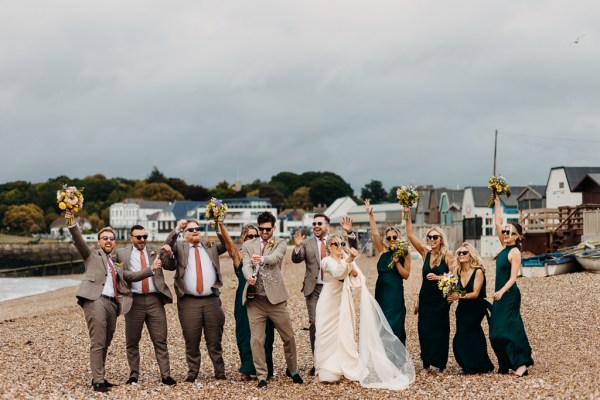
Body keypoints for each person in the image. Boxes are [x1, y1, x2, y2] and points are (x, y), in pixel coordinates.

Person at [65, 210, 162, 393]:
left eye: (111, 238)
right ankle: (98, 381)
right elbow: (78, 239)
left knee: (106, 342)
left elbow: (131, 275)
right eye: (105, 238)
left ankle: (99, 376)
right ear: (98, 242)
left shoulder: (115, 264)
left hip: (112, 304)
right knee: (98, 341)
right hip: (96, 300)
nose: (108, 241)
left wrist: (151, 269)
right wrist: (71, 220)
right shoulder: (92, 255)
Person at [314, 234, 415, 389]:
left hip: (343, 302)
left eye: (342, 243)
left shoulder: (345, 259)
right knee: (324, 334)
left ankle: (342, 367)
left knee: (344, 333)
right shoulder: (326, 261)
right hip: (328, 303)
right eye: (335, 244)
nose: (339, 247)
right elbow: (337, 273)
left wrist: (350, 264)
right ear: (329, 246)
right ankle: (323, 369)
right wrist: (349, 262)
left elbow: (358, 277)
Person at [241, 211, 303, 389]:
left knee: (289, 337)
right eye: (261, 229)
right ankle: (261, 375)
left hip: (276, 300)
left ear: (274, 228)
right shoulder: (248, 244)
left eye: (268, 229)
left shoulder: (281, 243)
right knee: (257, 340)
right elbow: (245, 264)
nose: (264, 232)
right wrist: (248, 277)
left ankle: (293, 370)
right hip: (255, 301)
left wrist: (261, 259)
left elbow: (275, 259)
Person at [291, 213, 357, 375]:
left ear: (327, 226)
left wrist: (350, 234)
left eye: (319, 223)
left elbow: (352, 249)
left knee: (337, 324)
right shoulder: (306, 243)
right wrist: (298, 246)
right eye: (313, 223)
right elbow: (296, 259)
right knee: (315, 324)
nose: (316, 226)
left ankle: (337, 359)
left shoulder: (336, 241)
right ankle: (318, 362)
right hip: (313, 289)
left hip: (336, 289)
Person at [163, 219, 227, 383]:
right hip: (189, 302)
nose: (195, 231)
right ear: (185, 234)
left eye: (197, 229)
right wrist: (176, 228)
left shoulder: (210, 246)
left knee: (215, 340)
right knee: (191, 339)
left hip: (212, 300)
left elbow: (226, 244)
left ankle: (220, 372)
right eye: (191, 230)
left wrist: (219, 226)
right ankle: (193, 372)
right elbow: (166, 249)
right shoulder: (181, 248)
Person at [115, 225, 177, 386]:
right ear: (131, 238)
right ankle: (134, 375)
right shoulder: (122, 254)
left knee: (160, 339)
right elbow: (124, 275)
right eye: (138, 237)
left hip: (155, 300)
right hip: (134, 301)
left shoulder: (155, 250)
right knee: (132, 341)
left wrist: (170, 255)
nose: (142, 240)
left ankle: (166, 375)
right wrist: (150, 269)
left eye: (144, 236)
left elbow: (171, 266)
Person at [217, 221, 275, 380]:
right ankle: (248, 368)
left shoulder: (264, 253)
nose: (254, 238)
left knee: (266, 334)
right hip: (244, 300)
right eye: (250, 236)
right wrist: (220, 223)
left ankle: (265, 368)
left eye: (256, 235)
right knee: (245, 333)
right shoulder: (239, 255)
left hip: (264, 299)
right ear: (243, 238)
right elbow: (228, 243)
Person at [489, 195, 534, 377]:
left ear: (517, 236)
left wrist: (501, 291)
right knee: (496, 331)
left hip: (508, 294)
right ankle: (505, 362)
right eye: (505, 232)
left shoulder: (514, 252)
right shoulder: (504, 246)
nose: (505, 234)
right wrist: (498, 203)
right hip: (499, 295)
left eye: (509, 232)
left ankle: (522, 363)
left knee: (510, 328)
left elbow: (514, 277)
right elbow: (498, 223)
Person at [405, 207, 453, 372]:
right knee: (424, 330)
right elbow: (410, 235)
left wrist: (439, 278)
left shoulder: (448, 255)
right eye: (429, 237)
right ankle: (426, 362)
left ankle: (440, 364)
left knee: (440, 330)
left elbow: (455, 278)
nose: (431, 240)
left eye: (435, 237)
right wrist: (407, 212)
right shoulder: (425, 253)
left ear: (441, 239)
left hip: (441, 298)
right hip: (426, 298)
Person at [364, 200, 410, 345]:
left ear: (398, 238)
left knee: (395, 323)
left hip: (395, 293)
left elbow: (406, 275)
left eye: (394, 237)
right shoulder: (383, 250)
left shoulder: (404, 253)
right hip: (382, 292)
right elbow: (375, 232)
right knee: (382, 323)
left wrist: (396, 263)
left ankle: (398, 357)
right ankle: (384, 356)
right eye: (389, 237)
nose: (391, 240)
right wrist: (371, 215)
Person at [446, 243, 494, 374]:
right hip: (462, 309)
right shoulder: (458, 272)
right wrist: (449, 291)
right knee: (467, 335)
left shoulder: (478, 271)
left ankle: (474, 364)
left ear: (470, 255)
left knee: (466, 334)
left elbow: (475, 294)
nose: (461, 255)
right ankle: (476, 364)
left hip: (476, 308)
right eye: (459, 253)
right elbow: (454, 289)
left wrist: (458, 296)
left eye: (464, 252)